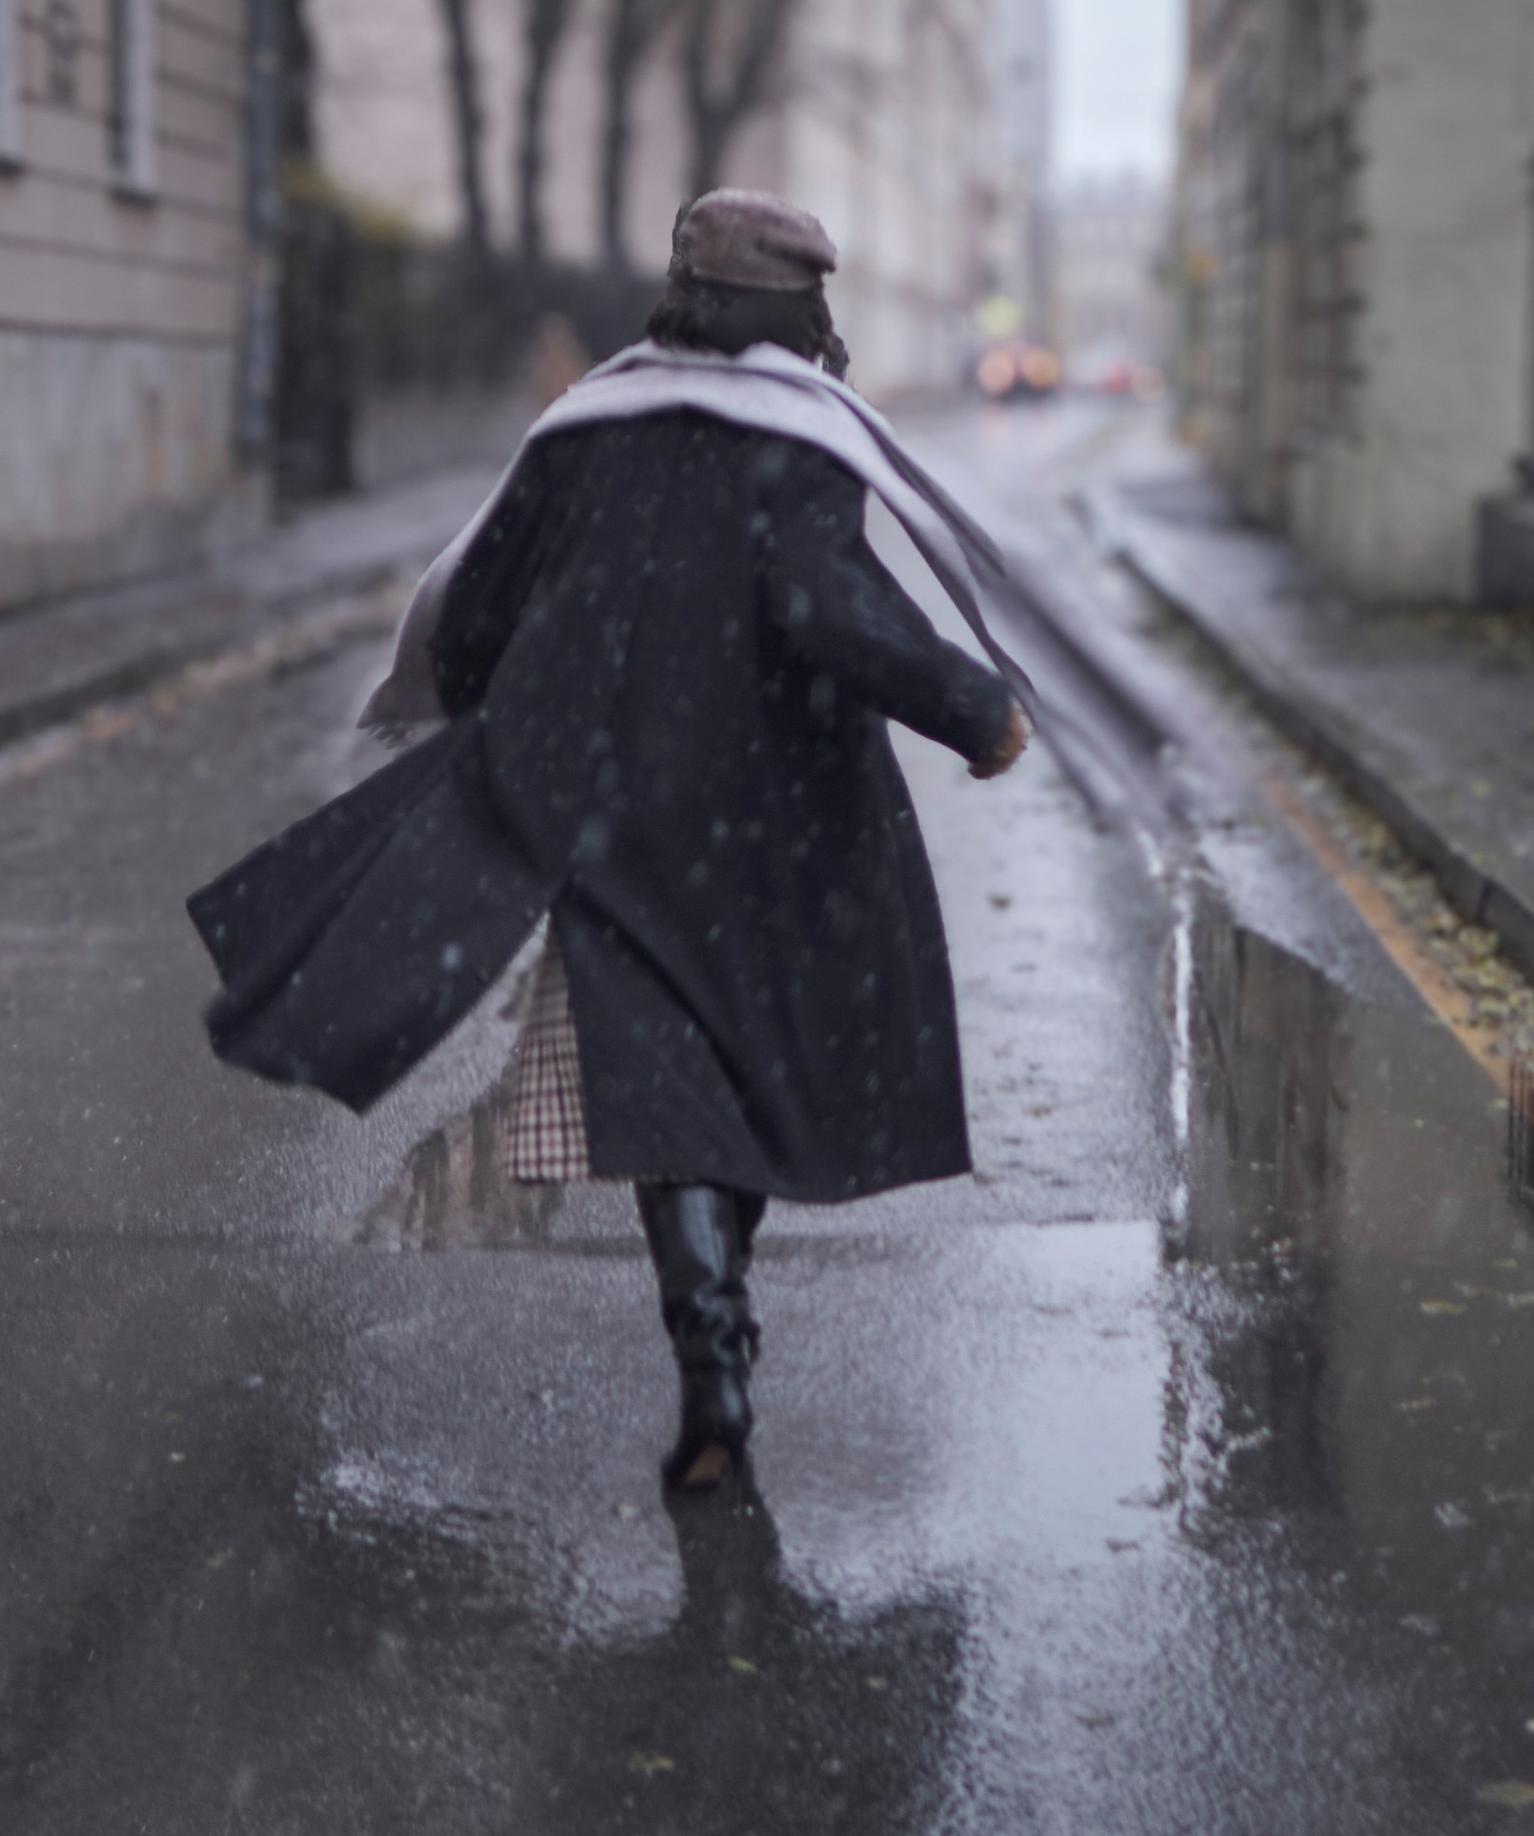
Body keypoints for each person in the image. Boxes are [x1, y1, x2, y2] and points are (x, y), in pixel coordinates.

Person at [189, 191, 1032, 1498]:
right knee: (746, 1068)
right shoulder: (799, 436)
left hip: (614, 810)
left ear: (682, 297)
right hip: (778, 813)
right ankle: (722, 1326)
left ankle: (712, 1350)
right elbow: (827, 604)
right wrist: (975, 706)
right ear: (803, 313)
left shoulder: (588, 424)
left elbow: (484, 595)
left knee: (664, 1085)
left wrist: (479, 697)